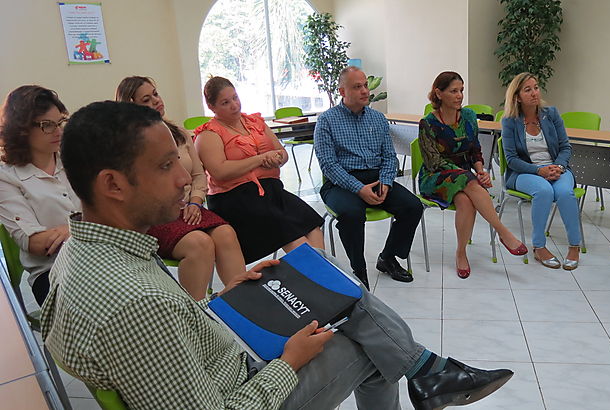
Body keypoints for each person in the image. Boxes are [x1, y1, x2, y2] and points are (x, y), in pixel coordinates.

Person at [42, 100, 513, 410]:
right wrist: (289, 363)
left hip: (220, 355)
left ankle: (427, 371)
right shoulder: (136, 302)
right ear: (113, 184)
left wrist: (222, 299)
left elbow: (168, 333)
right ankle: (427, 373)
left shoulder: (82, 253)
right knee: (369, 343)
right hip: (243, 382)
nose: (185, 178)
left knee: (331, 290)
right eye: (166, 166)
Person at [116, 76, 249, 299]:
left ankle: (242, 303)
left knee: (226, 233)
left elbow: (198, 176)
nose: (156, 102)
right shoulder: (127, 144)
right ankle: (194, 311)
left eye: (155, 94)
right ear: (131, 107)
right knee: (200, 244)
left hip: (189, 207)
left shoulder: (178, 132)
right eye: (146, 100)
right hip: (156, 214)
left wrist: (195, 201)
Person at [195, 76, 324, 263]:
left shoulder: (254, 122)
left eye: (235, 98)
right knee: (292, 233)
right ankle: (317, 279)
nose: (234, 105)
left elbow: (281, 151)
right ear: (212, 107)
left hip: (270, 190)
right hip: (236, 198)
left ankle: (320, 275)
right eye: (225, 102)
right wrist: (260, 159)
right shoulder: (208, 134)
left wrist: (277, 158)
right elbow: (220, 172)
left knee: (312, 225)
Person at [314, 66, 423, 288]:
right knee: (351, 213)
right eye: (357, 87)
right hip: (340, 182)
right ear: (342, 91)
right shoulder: (326, 121)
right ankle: (359, 269)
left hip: (375, 177)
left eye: (365, 85)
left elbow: (389, 157)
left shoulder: (378, 118)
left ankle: (388, 257)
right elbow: (329, 165)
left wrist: (385, 181)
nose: (365, 91)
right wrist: (358, 188)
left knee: (413, 206)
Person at [418, 71, 526, 278]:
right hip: (435, 178)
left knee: (466, 201)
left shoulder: (468, 116)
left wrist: (480, 170)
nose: (459, 96)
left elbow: (475, 148)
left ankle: (460, 253)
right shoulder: (428, 123)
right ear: (439, 94)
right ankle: (503, 232)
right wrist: (471, 176)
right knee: (467, 180)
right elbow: (434, 162)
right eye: (453, 91)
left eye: (461, 91)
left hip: (464, 178)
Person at [0, 85, 79, 306]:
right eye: (47, 125)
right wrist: (89, 226)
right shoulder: (6, 177)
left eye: (60, 123)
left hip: (101, 256)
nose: (59, 131)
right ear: (21, 129)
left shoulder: (73, 160)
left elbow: (111, 212)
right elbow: (37, 243)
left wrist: (66, 231)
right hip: (53, 273)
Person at [501, 72, 583, 270]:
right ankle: (539, 247)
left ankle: (574, 246)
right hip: (524, 173)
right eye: (527, 90)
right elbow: (511, 159)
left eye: (536, 87)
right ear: (517, 96)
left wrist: (558, 167)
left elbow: (565, 147)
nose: (534, 93)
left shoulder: (551, 114)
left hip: (557, 168)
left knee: (564, 192)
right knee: (544, 191)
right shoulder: (509, 121)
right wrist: (540, 171)